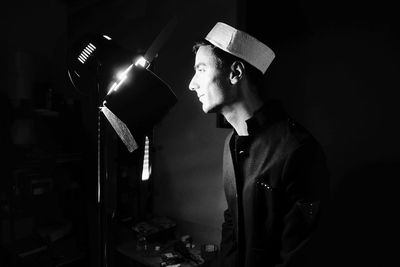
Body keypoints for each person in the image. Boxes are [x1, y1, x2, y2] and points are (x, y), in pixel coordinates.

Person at [188, 22, 329, 267]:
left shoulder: (298, 150)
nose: (192, 84)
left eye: (201, 69)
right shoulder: (231, 143)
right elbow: (232, 221)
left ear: (235, 73)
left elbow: (298, 254)